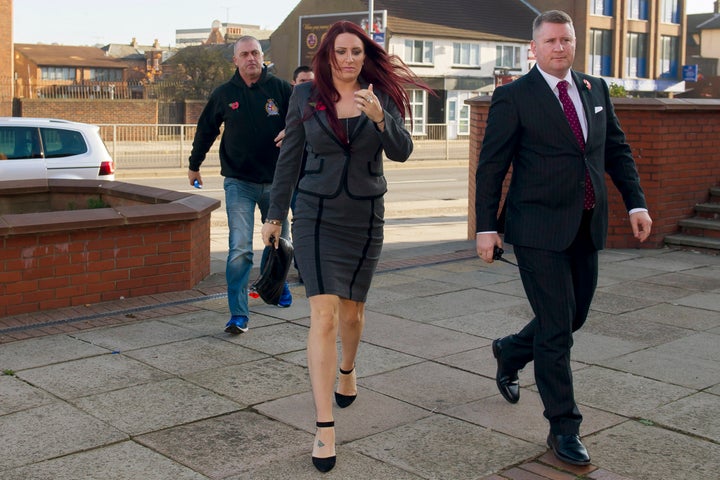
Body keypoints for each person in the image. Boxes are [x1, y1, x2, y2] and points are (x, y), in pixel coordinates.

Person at [475, 10, 652, 467]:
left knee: (574, 317)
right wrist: (486, 226)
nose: (560, 47)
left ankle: (510, 350)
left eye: (567, 40)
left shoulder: (594, 89)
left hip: (586, 225)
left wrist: (636, 203)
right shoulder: (514, 97)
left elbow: (616, 149)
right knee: (556, 329)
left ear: (575, 43)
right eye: (551, 41)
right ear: (533, 48)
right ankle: (563, 428)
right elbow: (492, 166)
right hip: (536, 229)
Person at [261, 21, 433, 473]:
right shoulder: (305, 96)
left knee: (352, 314)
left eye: (357, 51)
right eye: (342, 51)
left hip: (364, 217)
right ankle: (324, 427)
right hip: (316, 214)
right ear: (328, 55)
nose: (350, 59)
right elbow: (290, 157)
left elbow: (403, 151)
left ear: (364, 55)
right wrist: (275, 215)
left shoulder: (381, 96)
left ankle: (348, 368)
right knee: (323, 316)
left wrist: (379, 116)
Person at [188, 36, 294, 335]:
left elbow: (304, 119)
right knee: (240, 250)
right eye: (244, 54)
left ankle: (278, 285)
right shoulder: (224, 94)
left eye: (255, 53)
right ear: (235, 60)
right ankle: (238, 314)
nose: (251, 58)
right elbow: (205, 130)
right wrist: (194, 164)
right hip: (239, 183)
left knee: (280, 245)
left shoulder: (281, 89)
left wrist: (292, 129)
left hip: (277, 182)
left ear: (263, 57)